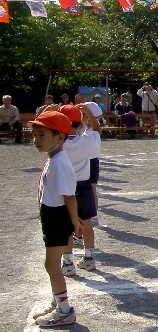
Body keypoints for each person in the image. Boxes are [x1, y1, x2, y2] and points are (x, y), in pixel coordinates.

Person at [28, 111, 80, 327]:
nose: (36, 140)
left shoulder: (59, 162)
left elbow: (69, 197)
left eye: (42, 135)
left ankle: (65, 311)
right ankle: (58, 300)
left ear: (60, 137)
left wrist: (74, 224)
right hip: (52, 214)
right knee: (53, 265)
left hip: (57, 217)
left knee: (51, 266)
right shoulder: (54, 157)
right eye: (35, 135)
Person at [57, 105, 98, 276]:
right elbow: (96, 129)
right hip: (83, 185)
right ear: (80, 123)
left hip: (65, 187)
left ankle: (68, 263)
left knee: (66, 225)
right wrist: (88, 116)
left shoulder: (58, 143)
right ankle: (89, 258)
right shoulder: (87, 140)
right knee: (87, 223)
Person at [80, 102, 104, 227]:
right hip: (85, 161)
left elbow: (95, 125)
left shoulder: (94, 128)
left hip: (92, 162)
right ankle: (92, 215)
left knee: (92, 190)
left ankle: (94, 215)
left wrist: (88, 111)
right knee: (88, 190)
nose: (82, 116)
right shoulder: (84, 128)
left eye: (84, 114)